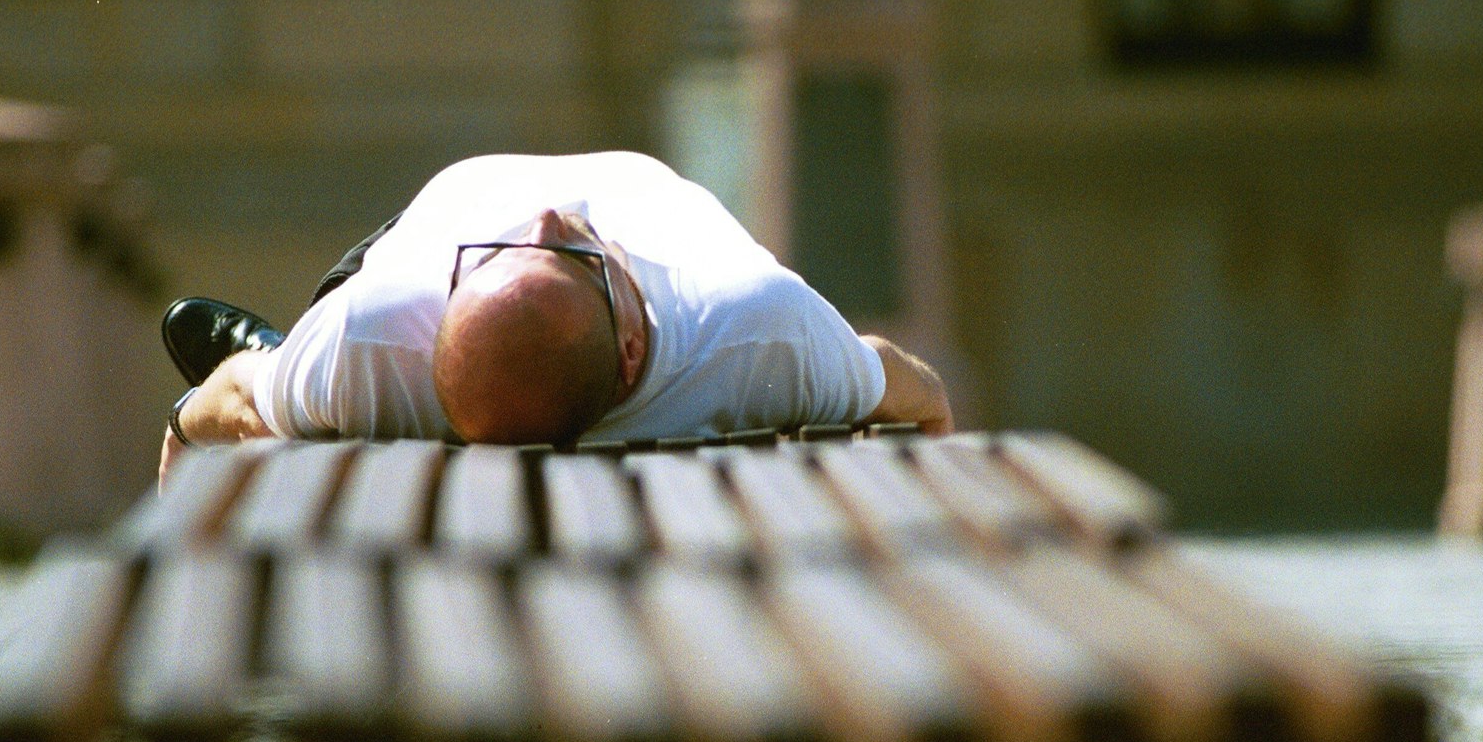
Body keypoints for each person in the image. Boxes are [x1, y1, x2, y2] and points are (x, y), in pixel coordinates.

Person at [159, 151, 951, 481]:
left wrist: (188, 420)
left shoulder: (377, 335)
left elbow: (234, 397)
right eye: (574, 258)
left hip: (463, 198)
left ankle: (285, 348)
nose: (542, 219)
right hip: (639, 191)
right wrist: (941, 417)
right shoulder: (758, 330)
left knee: (298, 392)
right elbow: (905, 385)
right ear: (632, 349)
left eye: (516, 252)